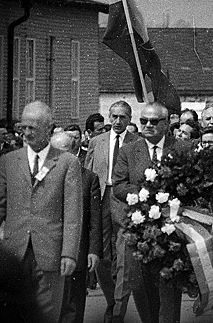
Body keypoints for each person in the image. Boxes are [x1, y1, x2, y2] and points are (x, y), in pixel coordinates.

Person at [0, 101, 83, 322]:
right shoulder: (8, 161)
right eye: (23, 127)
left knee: (48, 314)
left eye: (32, 128)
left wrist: (69, 253)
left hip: (51, 253)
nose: (26, 133)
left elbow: (73, 213)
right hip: (14, 252)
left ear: (50, 128)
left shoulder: (67, 163)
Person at [112, 102, 192, 323]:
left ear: (166, 124)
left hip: (173, 227)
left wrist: (169, 200)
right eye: (143, 121)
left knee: (169, 285)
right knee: (140, 285)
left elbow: (192, 184)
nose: (148, 125)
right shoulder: (128, 150)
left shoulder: (182, 149)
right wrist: (145, 194)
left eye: (154, 121)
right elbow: (118, 184)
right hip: (140, 228)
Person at [84, 100, 144, 323]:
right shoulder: (97, 142)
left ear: (130, 120)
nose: (118, 121)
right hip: (101, 199)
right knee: (101, 254)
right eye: (114, 117)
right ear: (109, 118)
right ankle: (111, 300)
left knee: (124, 254)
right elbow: (88, 173)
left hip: (125, 201)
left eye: (123, 117)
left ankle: (118, 308)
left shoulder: (137, 142)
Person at [51, 131, 101, 323]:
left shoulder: (89, 179)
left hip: (76, 253)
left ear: (74, 151)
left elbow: (94, 219)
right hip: (45, 251)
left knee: (73, 306)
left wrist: (93, 251)